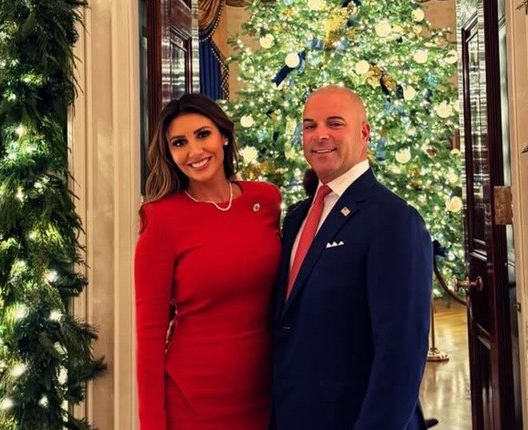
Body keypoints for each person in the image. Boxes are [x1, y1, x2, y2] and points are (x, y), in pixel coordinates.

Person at [271, 85, 433, 429]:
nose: (320, 135)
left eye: (334, 123)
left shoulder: (394, 221)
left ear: (364, 133)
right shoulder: (297, 217)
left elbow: (401, 356)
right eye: (310, 126)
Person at [134, 93, 281, 429]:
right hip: (193, 402)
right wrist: (152, 423)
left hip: (267, 393)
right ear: (170, 155)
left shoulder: (266, 199)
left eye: (203, 134)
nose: (195, 151)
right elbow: (149, 336)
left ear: (224, 136)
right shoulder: (161, 220)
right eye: (179, 143)